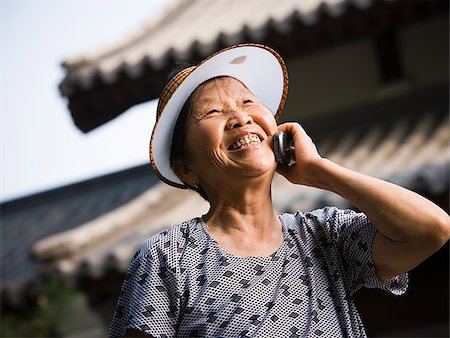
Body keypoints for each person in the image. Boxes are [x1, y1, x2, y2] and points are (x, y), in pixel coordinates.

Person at [109, 44, 450, 337]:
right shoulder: (168, 255)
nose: (240, 118)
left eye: (247, 102)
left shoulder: (324, 235)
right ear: (187, 169)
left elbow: (431, 229)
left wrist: (320, 171)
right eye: (213, 111)